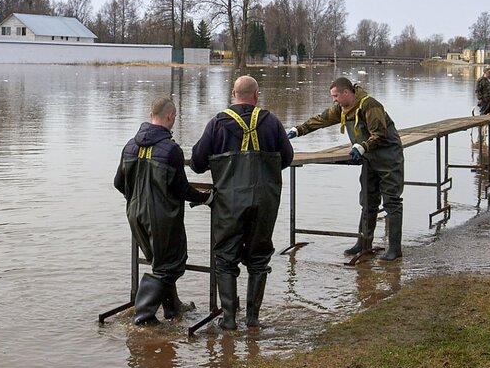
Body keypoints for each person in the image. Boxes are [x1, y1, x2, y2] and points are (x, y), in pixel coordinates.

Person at [191, 76, 293, 330]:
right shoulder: (271, 122)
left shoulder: (218, 122)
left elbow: (197, 163)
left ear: (232, 94)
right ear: (256, 95)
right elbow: (287, 157)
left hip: (229, 203)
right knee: (258, 258)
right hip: (265, 202)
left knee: (225, 258)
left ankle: (228, 320)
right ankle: (252, 318)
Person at [114, 97, 211, 325]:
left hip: (134, 214)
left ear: (151, 115)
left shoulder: (130, 145)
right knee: (170, 265)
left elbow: (119, 183)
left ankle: (172, 309)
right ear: (170, 116)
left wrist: (137, 199)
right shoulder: (171, 150)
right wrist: (207, 198)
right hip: (162, 218)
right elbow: (182, 190)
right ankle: (144, 316)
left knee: (159, 262)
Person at [287, 76, 405, 261]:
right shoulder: (343, 109)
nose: (334, 99)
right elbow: (321, 119)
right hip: (369, 159)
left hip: (388, 158)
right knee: (367, 200)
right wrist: (298, 130)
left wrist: (362, 146)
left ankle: (395, 249)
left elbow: (380, 134)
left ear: (346, 92)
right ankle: (363, 242)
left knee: (392, 201)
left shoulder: (369, 105)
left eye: (335, 96)